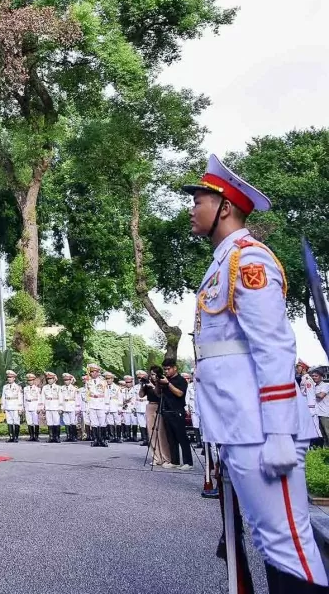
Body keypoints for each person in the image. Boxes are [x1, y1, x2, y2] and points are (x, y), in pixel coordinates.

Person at [184, 154, 327, 591]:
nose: (193, 209)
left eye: (200, 200)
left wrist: (281, 431)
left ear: (225, 207)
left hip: (263, 429)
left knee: (288, 542)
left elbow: (274, 347)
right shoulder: (221, 262)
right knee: (270, 541)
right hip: (239, 425)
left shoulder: (250, 260)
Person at [156, 359, 193, 469]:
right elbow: (158, 394)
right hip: (166, 411)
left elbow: (179, 393)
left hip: (177, 411)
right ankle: (175, 461)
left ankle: (188, 462)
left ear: (174, 368)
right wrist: (158, 383)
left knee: (182, 437)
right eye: (164, 369)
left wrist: (168, 384)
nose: (166, 371)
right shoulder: (165, 379)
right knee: (171, 438)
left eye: (168, 369)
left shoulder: (180, 380)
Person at [85, 364, 108, 447]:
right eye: (91, 372)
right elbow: (87, 395)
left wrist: (107, 406)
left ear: (98, 372)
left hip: (101, 403)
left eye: (95, 372)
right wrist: (87, 406)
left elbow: (107, 394)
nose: (93, 373)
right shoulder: (88, 382)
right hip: (92, 404)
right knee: (94, 423)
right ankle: (95, 439)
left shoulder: (103, 382)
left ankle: (103, 440)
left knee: (102, 423)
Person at [1, 370, 22, 443]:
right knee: (9, 422)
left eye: (11, 377)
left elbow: (20, 398)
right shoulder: (5, 387)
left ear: (14, 378)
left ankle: (16, 437)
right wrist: (3, 406)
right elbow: (3, 397)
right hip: (7, 406)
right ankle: (11, 437)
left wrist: (20, 408)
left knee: (16, 422)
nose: (9, 379)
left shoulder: (18, 387)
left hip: (15, 406)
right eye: (8, 377)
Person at [42, 372, 62, 443]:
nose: (49, 380)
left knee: (56, 422)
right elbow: (43, 398)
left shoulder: (58, 388)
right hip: (48, 406)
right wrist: (43, 407)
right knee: (49, 422)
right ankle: (51, 437)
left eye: (51, 379)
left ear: (54, 379)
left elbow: (60, 398)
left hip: (56, 406)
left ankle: (57, 437)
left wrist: (60, 407)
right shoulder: (45, 387)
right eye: (48, 379)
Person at [59, 373, 78, 443]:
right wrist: (60, 407)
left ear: (70, 380)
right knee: (66, 422)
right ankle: (68, 436)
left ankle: (74, 436)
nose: (66, 381)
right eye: (65, 380)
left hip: (72, 405)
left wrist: (77, 408)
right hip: (65, 406)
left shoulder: (74, 388)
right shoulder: (61, 388)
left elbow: (77, 399)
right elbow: (60, 398)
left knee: (72, 422)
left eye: (67, 380)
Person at [133, 370, 150, 446]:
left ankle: (149, 439)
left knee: (148, 423)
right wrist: (134, 407)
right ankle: (144, 439)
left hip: (146, 405)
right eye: (138, 378)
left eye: (141, 377)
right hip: (139, 405)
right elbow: (133, 398)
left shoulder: (149, 385)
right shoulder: (135, 387)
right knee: (141, 423)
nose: (140, 379)